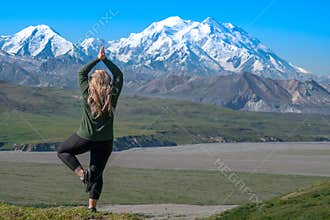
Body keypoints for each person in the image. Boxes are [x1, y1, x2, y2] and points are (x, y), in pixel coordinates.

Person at [56, 46, 123, 212]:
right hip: (105, 141)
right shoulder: (112, 94)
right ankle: (91, 208)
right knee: (97, 173)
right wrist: (105, 60)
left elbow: (81, 73)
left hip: (84, 137)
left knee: (62, 151)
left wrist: (97, 59)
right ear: (107, 82)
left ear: (92, 81)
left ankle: (81, 175)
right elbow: (119, 75)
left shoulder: (87, 92)